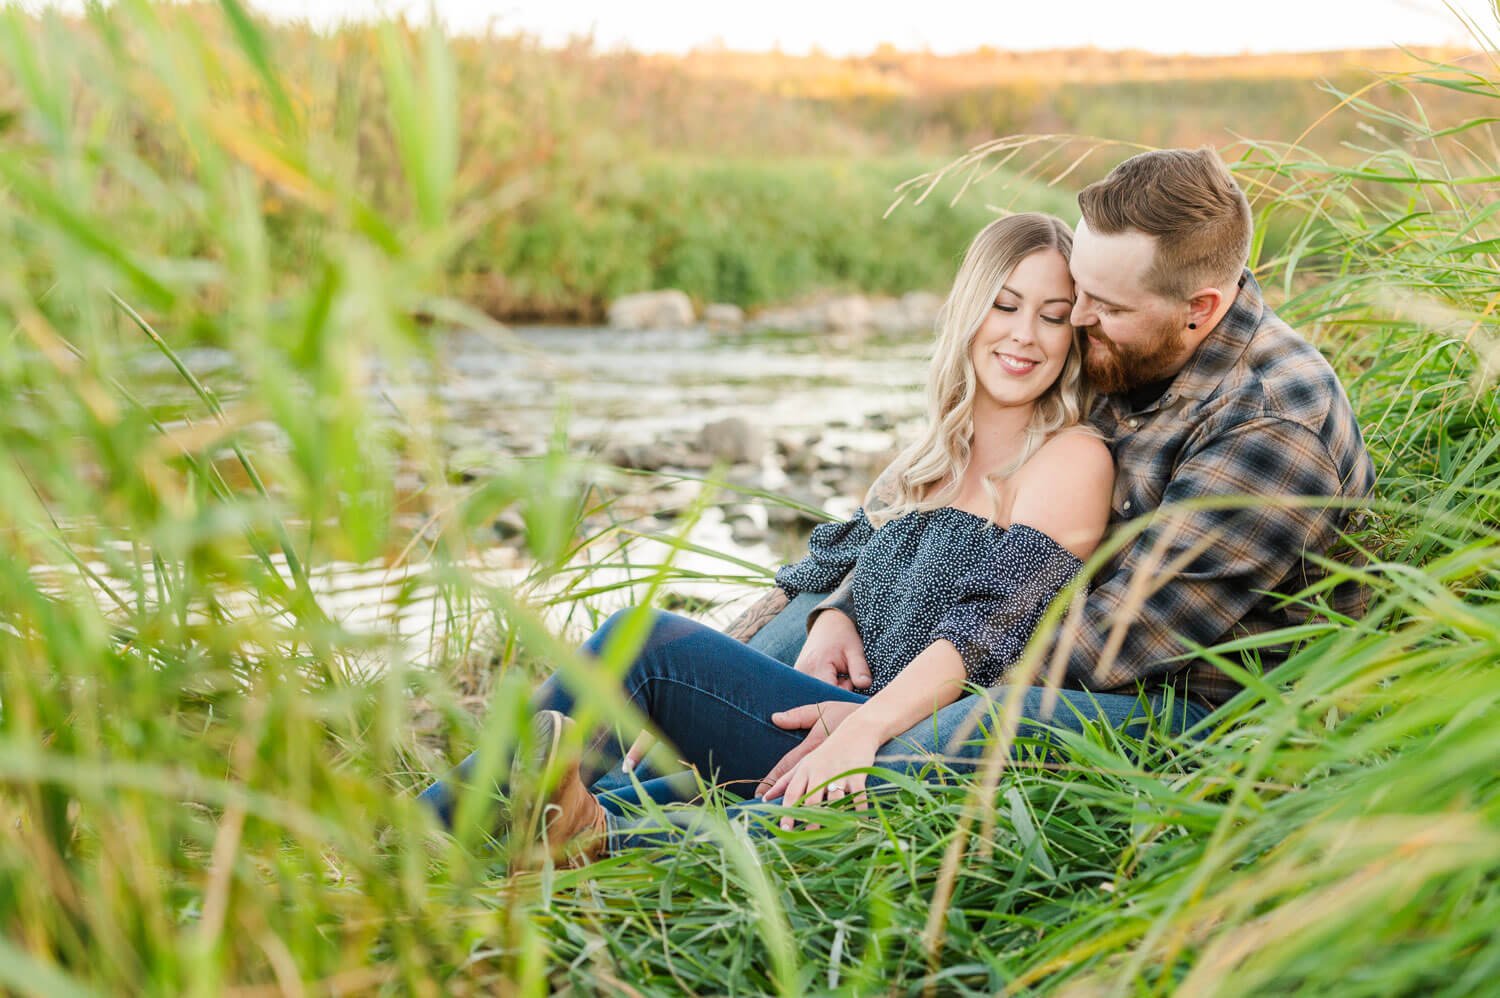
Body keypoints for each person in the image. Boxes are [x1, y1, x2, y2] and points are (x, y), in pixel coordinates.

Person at [417, 211, 1127, 862]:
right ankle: (448, 846)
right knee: (620, 798)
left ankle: (424, 839)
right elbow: (851, 555)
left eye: (1052, 317)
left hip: (902, 741)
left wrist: (860, 730)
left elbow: (985, 633)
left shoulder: (1069, 458)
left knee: (645, 643)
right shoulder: (932, 457)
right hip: (820, 717)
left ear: (1075, 336)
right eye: (1005, 305)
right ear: (970, 310)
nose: (1024, 335)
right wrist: (833, 616)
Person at [752, 147, 1376, 797]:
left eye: (1097, 305)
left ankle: (734, 837)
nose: (1075, 322)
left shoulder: (1272, 427)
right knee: (796, 632)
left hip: (1189, 715)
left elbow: (1103, 645)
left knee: (964, 728)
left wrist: (885, 705)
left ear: (1200, 306)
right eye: (1076, 295)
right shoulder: (1136, 335)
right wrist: (846, 606)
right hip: (1015, 634)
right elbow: (952, 500)